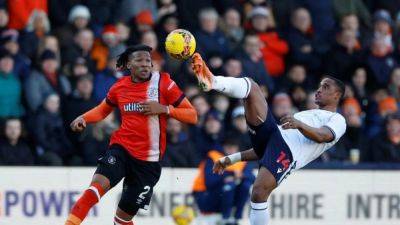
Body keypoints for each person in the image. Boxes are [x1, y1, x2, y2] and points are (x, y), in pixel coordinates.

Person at [191, 53, 346, 225]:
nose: (319, 90)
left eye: (325, 87)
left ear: (337, 95)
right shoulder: (307, 114)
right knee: (252, 87)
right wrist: (230, 159)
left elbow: (323, 136)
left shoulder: (338, 120)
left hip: (287, 153)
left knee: (258, 193)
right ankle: (212, 81)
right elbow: (263, 150)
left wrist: (300, 125)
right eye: (320, 86)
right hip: (273, 136)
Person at [64, 45, 197, 225]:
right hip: (121, 149)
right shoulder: (119, 87)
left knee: (122, 220)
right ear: (128, 64)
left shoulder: (164, 83)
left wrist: (165, 109)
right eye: (139, 61)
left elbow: (192, 115)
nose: (145, 65)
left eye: (148, 61)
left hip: (148, 163)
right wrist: (84, 118)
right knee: (95, 188)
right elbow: (103, 110)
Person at [192, 137, 254, 225]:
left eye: (233, 147)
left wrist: (241, 175)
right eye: (229, 147)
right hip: (207, 195)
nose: (231, 150)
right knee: (229, 185)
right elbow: (209, 182)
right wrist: (228, 176)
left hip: (229, 198)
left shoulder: (241, 162)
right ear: (223, 147)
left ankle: (236, 217)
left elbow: (253, 178)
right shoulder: (214, 158)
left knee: (245, 185)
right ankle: (226, 218)